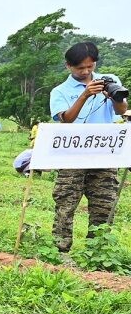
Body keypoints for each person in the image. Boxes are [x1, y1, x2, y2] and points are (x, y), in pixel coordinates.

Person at [49, 42, 129, 253]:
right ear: (68, 66)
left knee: (104, 203)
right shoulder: (60, 91)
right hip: (71, 155)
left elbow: (122, 111)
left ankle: (98, 250)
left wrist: (114, 96)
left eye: (90, 67)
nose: (86, 72)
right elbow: (66, 119)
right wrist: (85, 94)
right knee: (66, 202)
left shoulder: (110, 81)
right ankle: (61, 249)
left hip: (103, 153)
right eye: (80, 68)